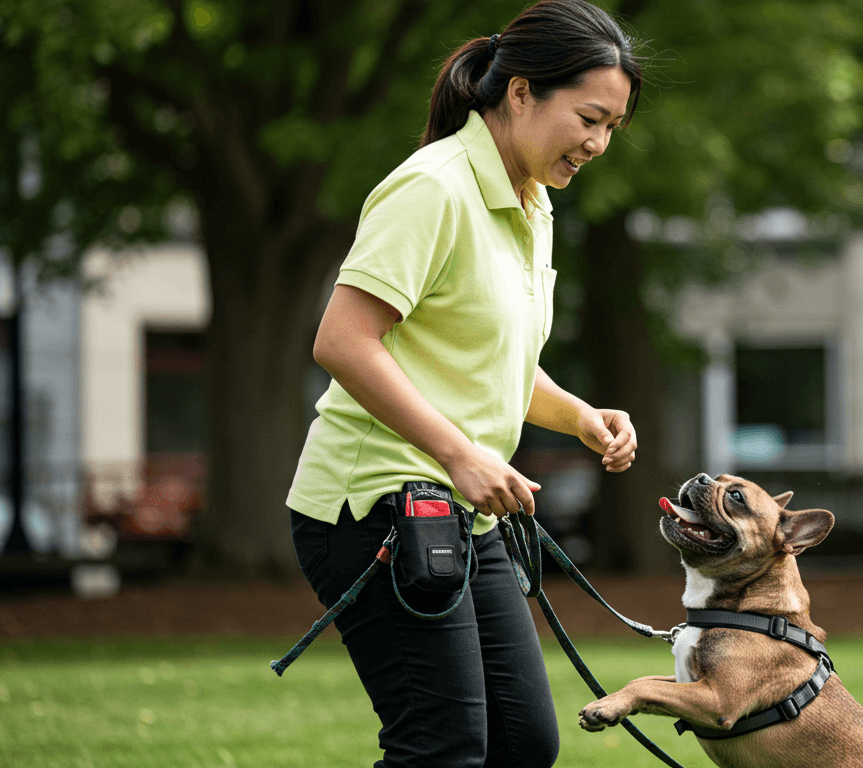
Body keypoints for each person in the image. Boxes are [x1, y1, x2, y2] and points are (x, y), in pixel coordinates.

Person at [285, 2, 643, 765]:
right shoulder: (434, 188)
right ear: (519, 93)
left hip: (461, 513)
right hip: (374, 506)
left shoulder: (531, 201)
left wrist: (579, 415)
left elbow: (487, 353)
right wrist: (460, 454)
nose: (598, 142)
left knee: (523, 745)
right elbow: (344, 342)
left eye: (612, 126)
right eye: (588, 117)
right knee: (441, 748)